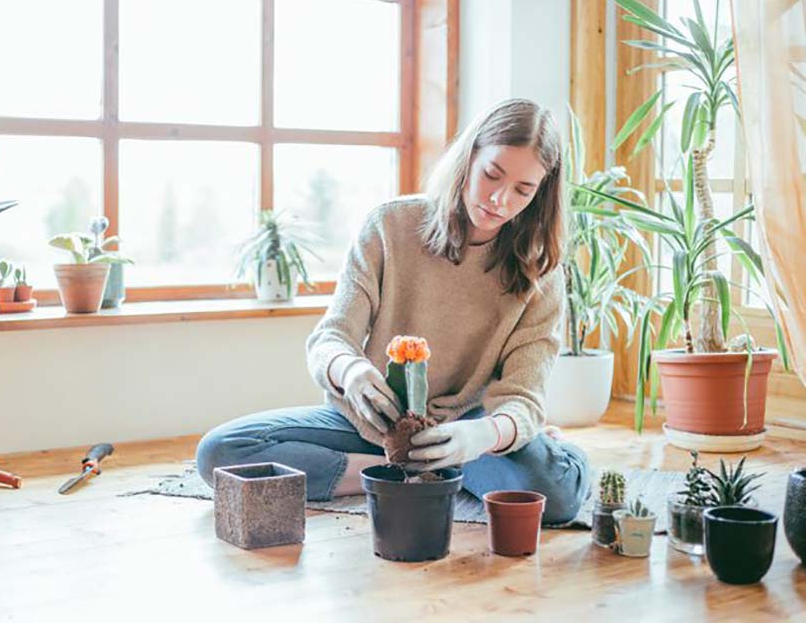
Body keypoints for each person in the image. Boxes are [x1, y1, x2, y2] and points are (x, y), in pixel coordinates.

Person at [196, 99, 590, 524]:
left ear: (541, 193)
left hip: (464, 433)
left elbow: (524, 396)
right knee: (220, 453)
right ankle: (396, 473)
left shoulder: (540, 271)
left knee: (559, 495)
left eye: (522, 190)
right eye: (492, 174)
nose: (499, 199)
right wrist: (351, 372)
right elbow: (330, 339)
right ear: (469, 158)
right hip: (370, 423)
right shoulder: (390, 226)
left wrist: (487, 434)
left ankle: (469, 461)